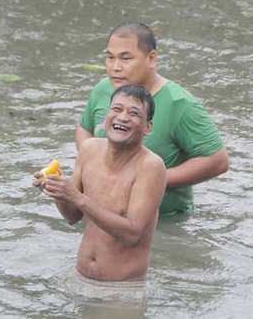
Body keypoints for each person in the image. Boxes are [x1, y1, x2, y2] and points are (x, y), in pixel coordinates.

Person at [76, 22, 229, 216]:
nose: (115, 67)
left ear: (152, 59)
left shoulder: (180, 104)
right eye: (109, 58)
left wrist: (150, 178)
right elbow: (84, 128)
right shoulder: (104, 89)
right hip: (103, 214)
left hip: (164, 223)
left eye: (125, 58)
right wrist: (90, 163)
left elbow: (217, 161)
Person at [33, 84, 166, 299]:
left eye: (133, 113)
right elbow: (72, 216)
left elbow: (132, 234)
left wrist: (78, 197)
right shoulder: (89, 149)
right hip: (78, 279)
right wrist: (58, 191)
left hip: (122, 291)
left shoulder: (152, 167)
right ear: (107, 115)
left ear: (147, 127)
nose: (122, 117)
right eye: (117, 109)